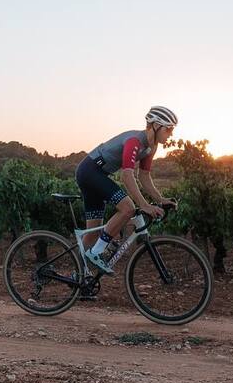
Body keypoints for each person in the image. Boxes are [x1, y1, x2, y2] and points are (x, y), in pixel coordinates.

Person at [75, 106, 177, 274]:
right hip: (90, 171)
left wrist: (161, 199)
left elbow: (144, 176)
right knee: (128, 208)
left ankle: (81, 277)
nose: (171, 134)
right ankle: (96, 253)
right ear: (156, 126)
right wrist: (143, 204)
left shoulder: (152, 147)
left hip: (98, 174)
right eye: (169, 129)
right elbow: (127, 175)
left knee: (93, 233)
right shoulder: (134, 141)